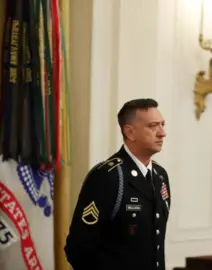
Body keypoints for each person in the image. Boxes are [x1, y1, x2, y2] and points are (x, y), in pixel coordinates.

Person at [65, 98, 171, 270]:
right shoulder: (108, 176)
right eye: (153, 126)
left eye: (162, 125)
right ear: (130, 132)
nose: (162, 133)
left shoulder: (160, 176)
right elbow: (79, 248)